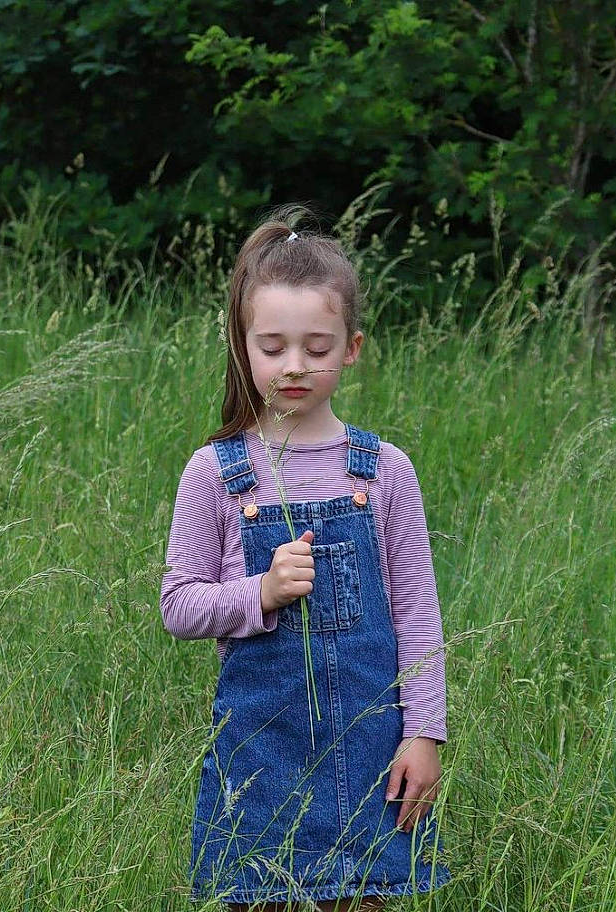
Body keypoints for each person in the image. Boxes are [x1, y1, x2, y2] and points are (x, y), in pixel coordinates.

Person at [160, 207, 452, 910]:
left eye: (317, 348)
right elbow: (178, 605)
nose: (295, 366)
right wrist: (258, 592)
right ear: (244, 345)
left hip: (374, 753)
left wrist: (425, 735)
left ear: (351, 348)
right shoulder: (216, 471)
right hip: (261, 758)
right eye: (273, 347)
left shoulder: (383, 471)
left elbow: (417, 615)